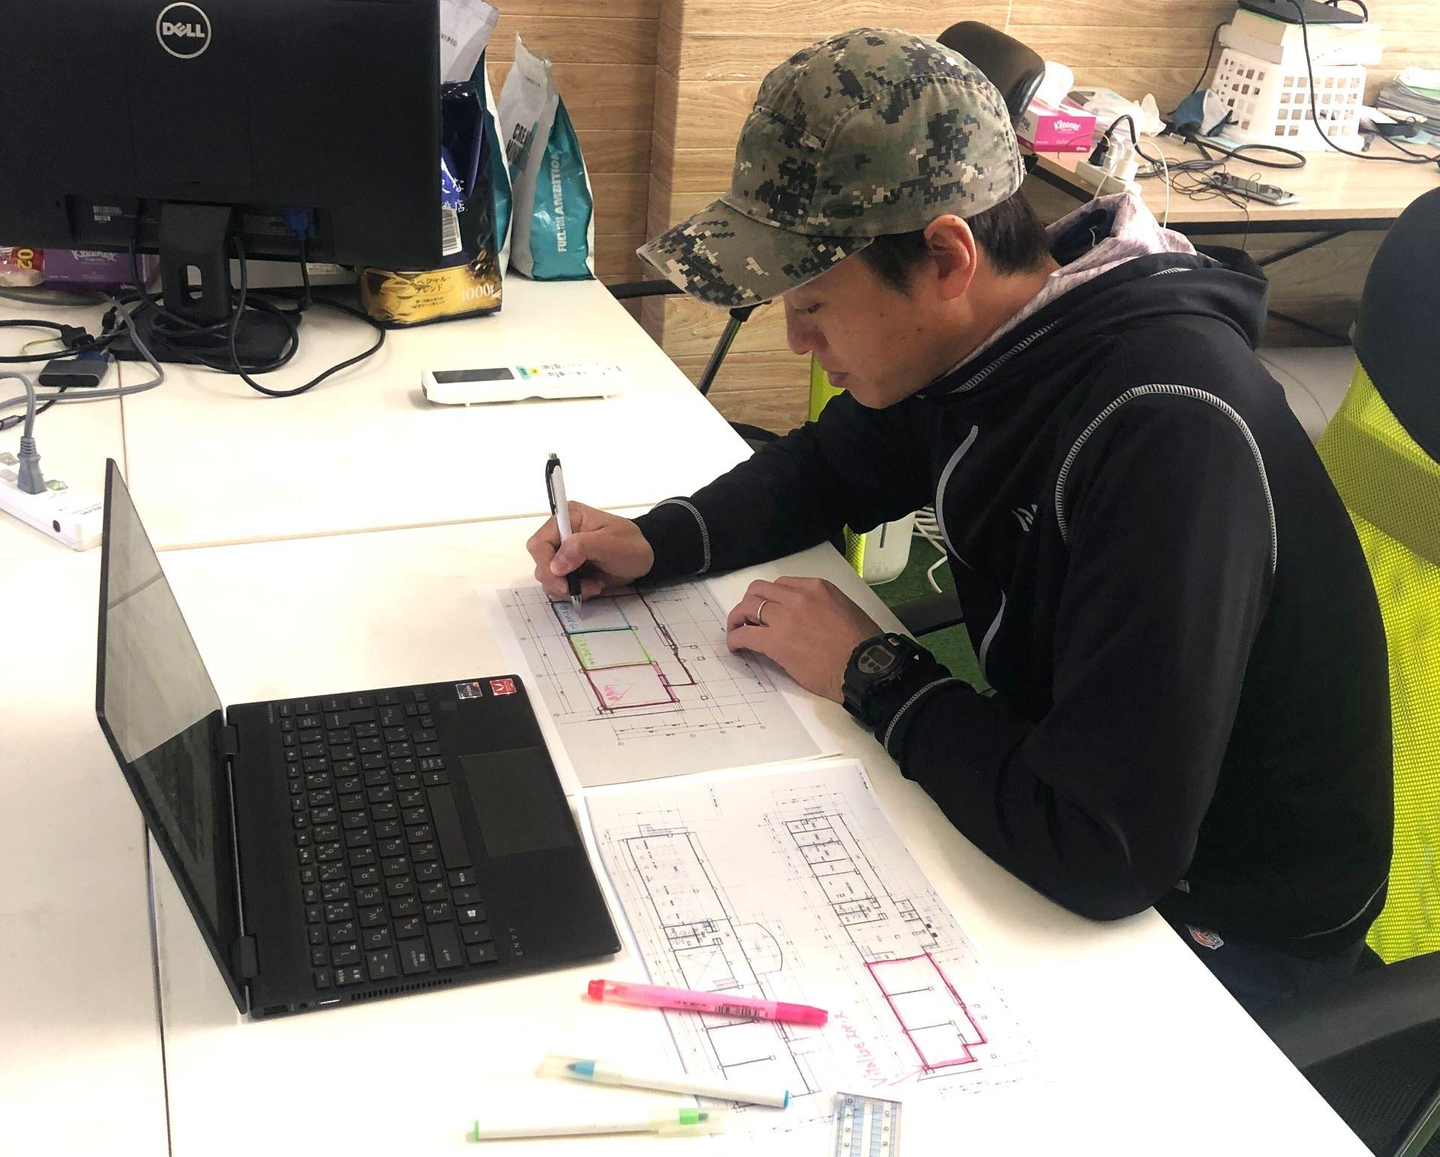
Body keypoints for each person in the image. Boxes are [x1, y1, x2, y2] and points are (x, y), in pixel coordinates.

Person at [526, 29, 1392, 1013]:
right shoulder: (1002, 334)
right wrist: (659, 539)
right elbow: (832, 466)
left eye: (814, 304)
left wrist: (873, 670)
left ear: (946, 255)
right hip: (1074, 783)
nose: (799, 340)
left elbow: (1105, 848)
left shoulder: (1167, 432)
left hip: (1223, 926)